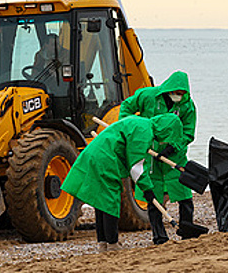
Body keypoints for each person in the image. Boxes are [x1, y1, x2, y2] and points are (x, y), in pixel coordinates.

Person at [61, 114, 183, 252]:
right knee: (110, 201)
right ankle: (112, 243)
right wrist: (148, 191)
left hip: (96, 155)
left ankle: (103, 243)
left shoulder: (141, 123)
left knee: (101, 201)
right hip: (105, 160)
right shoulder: (144, 132)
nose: (164, 141)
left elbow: (136, 157)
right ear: (166, 129)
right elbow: (136, 166)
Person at [119, 71, 197, 245]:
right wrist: (130, 131)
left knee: (184, 194)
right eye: (178, 92)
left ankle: (187, 229)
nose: (180, 96)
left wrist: (173, 147)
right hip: (150, 155)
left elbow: (188, 133)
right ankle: (159, 236)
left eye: (183, 93)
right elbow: (126, 107)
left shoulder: (187, 106)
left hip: (174, 157)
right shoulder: (147, 96)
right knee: (153, 197)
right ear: (169, 89)